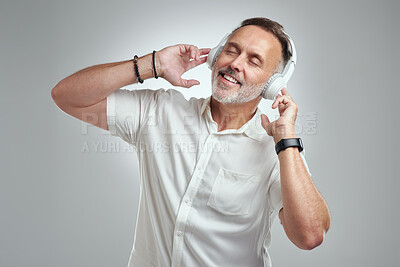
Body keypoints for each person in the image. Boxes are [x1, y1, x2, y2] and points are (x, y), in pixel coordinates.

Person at [51, 17, 330, 267]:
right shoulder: (160, 112)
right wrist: (153, 65)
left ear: (273, 83)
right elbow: (67, 96)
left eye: (253, 60)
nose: (235, 63)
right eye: (231, 50)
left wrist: (287, 141)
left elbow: (309, 235)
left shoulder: (278, 150)